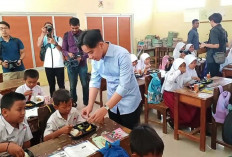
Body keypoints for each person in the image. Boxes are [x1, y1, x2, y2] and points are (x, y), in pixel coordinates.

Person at [79, 29, 142, 129]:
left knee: (130, 135)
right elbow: (94, 81)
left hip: (129, 102)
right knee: (115, 132)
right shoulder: (96, 59)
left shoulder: (122, 55)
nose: (90, 57)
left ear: (100, 45)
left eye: (91, 52)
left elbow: (123, 86)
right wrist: (90, 105)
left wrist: (105, 108)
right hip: (112, 103)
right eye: (87, 54)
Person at [161, 58, 199, 128]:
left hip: (177, 94)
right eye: (180, 66)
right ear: (176, 66)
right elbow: (170, 80)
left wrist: (191, 78)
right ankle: (175, 122)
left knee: (190, 105)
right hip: (169, 95)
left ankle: (185, 123)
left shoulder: (181, 74)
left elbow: (182, 82)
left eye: (184, 66)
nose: (183, 68)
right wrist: (179, 71)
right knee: (180, 110)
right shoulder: (170, 73)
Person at [62, 17, 89, 106]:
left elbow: (89, 50)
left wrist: (82, 57)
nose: (74, 30)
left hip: (82, 64)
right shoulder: (66, 35)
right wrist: (68, 53)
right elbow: (63, 49)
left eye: (76, 28)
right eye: (73, 28)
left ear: (79, 26)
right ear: (70, 26)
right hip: (71, 64)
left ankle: (86, 102)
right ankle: (73, 102)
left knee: (85, 84)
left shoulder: (84, 35)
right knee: (72, 86)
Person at [0, 92, 33, 157]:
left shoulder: (22, 120)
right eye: (19, 109)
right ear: (5, 112)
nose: (23, 113)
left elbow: (27, 142)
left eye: (24, 108)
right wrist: (7, 146)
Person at [37, 22, 65, 97]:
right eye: (46, 27)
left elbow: (61, 49)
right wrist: (43, 33)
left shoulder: (59, 38)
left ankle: (63, 99)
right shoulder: (43, 38)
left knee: (61, 85)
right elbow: (38, 45)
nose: (48, 29)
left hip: (59, 65)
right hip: (48, 65)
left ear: (53, 29)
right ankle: (53, 101)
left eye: (50, 27)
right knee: (51, 85)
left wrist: (54, 43)